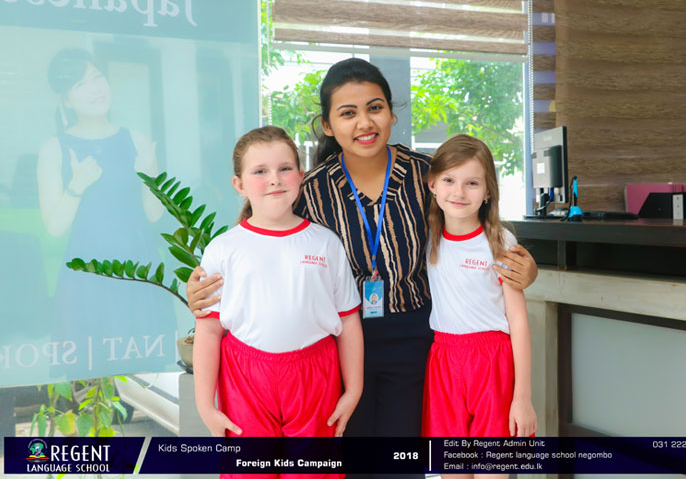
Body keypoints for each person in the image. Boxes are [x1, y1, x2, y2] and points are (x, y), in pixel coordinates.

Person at [187, 59, 538, 478]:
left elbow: (477, 229)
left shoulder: (427, 175)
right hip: (339, 341)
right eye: (347, 113)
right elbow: (260, 235)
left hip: (415, 336)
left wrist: (526, 271)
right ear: (328, 125)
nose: (364, 122)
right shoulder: (310, 187)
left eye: (375, 108)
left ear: (391, 113)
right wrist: (203, 291)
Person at [193, 126, 363, 462]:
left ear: (301, 176)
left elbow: (348, 321)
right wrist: (205, 407)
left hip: (315, 374)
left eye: (285, 168)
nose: (274, 180)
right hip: (245, 377)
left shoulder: (325, 243)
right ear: (239, 184)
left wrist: (354, 390)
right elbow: (209, 330)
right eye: (260, 171)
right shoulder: (223, 249)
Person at [37, 48, 165, 378]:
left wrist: (148, 175)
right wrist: (77, 185)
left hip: (137, 272)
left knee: (144, 372)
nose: (95, 89)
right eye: (80, 84)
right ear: (66, 100)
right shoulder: (54, 148)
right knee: (89, 374)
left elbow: (154, 214)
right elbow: (54, 227)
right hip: (87, 277)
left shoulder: (136, 140)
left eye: (97, 77)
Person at [422, 134, 537, 479]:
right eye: (449, 180)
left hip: (492, 365)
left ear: (488, 192)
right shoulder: (426, 237)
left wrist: (523, 398)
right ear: (432, 184)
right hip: (444, 363)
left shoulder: (500, 242)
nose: (459, 192)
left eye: (472, 183)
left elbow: (518, 322)